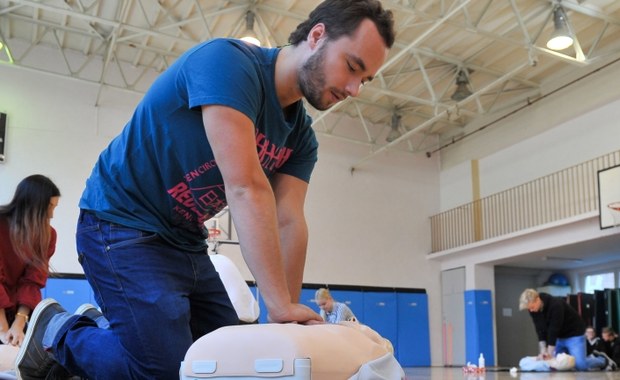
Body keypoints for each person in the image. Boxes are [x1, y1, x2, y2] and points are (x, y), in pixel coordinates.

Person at [16, 1, 396, 379]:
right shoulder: (228, 64)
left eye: (365, 80)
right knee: (165, 373)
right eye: (352, 67)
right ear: (317, 36)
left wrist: (289, 314)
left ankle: (103, 326)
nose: (355, 89)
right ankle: (58, 332)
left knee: (222, 365)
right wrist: (278, 304)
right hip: (120, 223)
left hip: (185, 241)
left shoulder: (301, 139)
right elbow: (245, 188)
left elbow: (289, 219)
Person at [0, 175, 60, 348]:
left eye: (55, 208)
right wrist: (2, 329)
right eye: (49, 207)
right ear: (31, 205)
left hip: (15, 311)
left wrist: (18, 325)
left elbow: (33, 281)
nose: (52, 215)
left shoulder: (48, 235)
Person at [519, 288, 605, 371]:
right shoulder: (533, 310)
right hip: (559, 336)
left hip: (574, 334)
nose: (531, 310)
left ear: (537, 299)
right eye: (529, 308)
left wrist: (549, 354)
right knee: (559, 365)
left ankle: (602, 360)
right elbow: (540, 329)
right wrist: (543, 351)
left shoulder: (556, 304)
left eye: (532, 307)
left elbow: (553, 330)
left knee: (580, 366)